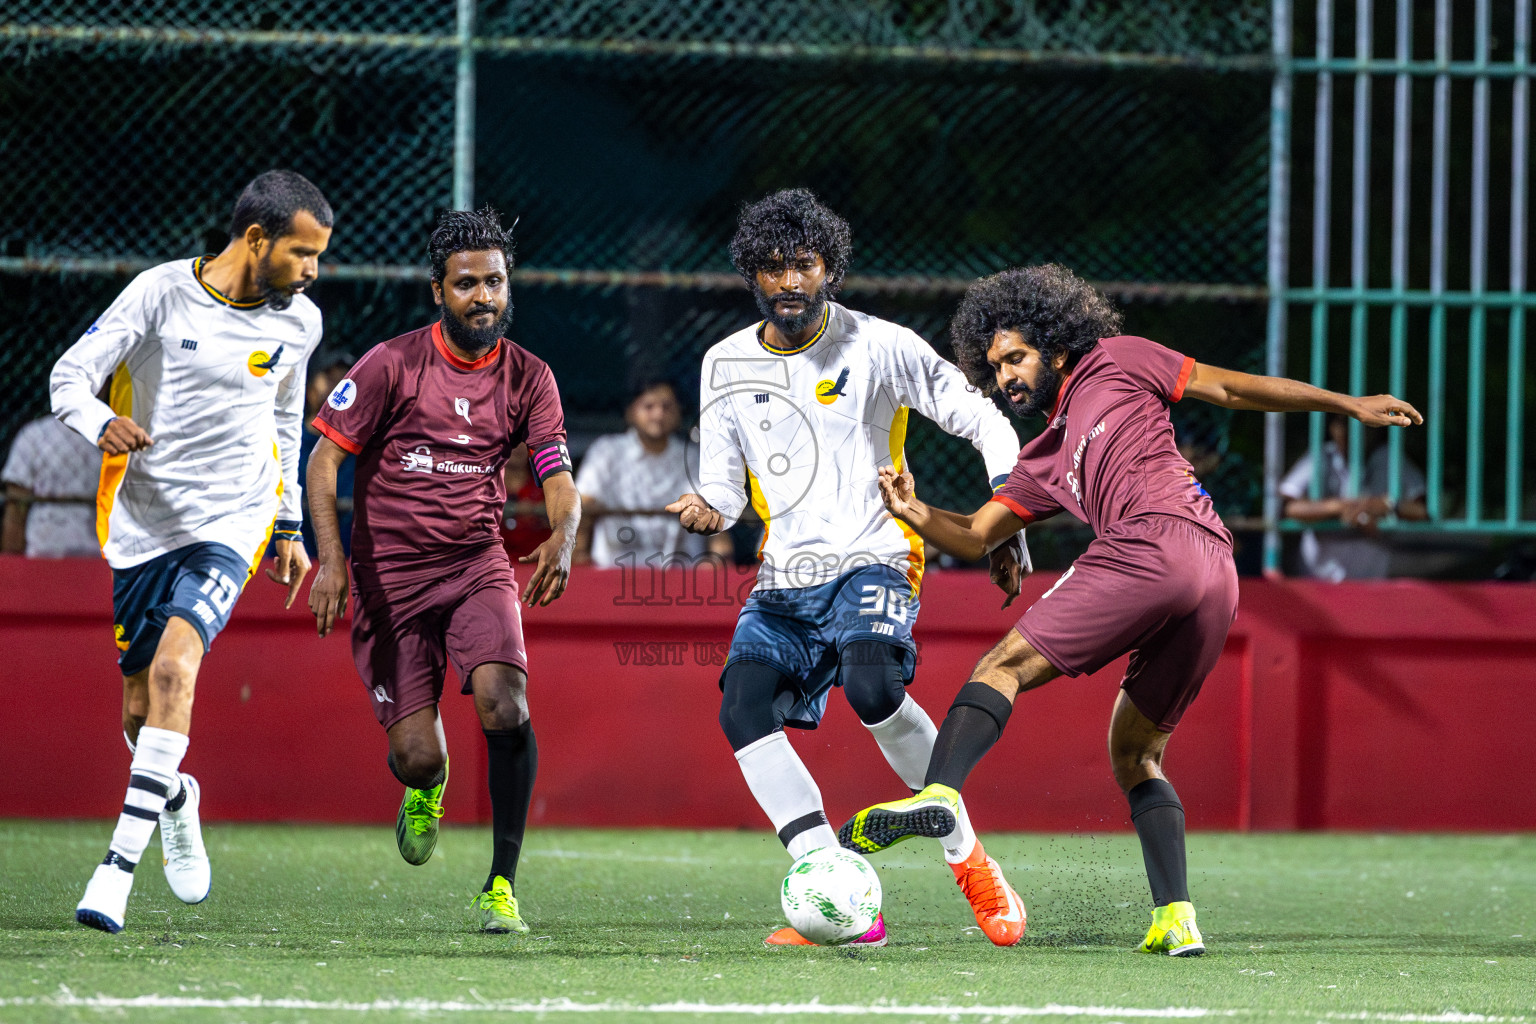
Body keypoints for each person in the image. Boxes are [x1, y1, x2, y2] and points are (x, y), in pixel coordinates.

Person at [838, 264, 1422, 956]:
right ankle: (1176, 916)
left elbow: (1229, 387)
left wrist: (1342, 403)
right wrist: (914, 509)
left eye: (1016, 358)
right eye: (994, 371)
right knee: (1137, 753)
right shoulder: (1043, 459)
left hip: (1159, 541)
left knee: (1004, 663)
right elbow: (974, 532)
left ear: (1056, 346)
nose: (1007, 380)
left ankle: (940, 794)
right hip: (1213, 575)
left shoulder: (1113, 359)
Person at [666, 189, 1029, 948]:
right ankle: (835, 887)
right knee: (742, 707)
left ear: (830, 266)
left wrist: (1006, 509)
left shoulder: (880, 345)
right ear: (752, 274)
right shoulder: (723, 362)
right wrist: (711, 506)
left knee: (873, 687)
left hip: (877, 553)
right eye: (774, 267)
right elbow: (729, 486)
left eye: (804, 264)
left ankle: (970, 860)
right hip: (784, 576)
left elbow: (983, 418)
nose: (790, 280)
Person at [51, 169, 332, 932]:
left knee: (179, 667)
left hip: (230, 523)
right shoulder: (159, 293)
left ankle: (115, 870)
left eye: (319, 258)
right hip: (144, 524)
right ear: (255, 238)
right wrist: (96, 422)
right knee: (142, 720)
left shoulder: (297, 322)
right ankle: (176, 796)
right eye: (302, 254)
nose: (312, 273)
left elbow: (283, 424)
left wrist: (285, 526)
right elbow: (68, 378)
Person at [306, 206, 579, 935]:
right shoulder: (390, 364)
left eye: (494, 282)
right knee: (418, 758)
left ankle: (500, 885)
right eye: (466, 284)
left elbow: (554, 468)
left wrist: (565, 530)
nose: (483, 296)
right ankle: (427, 789)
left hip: (475, 563)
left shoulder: (530, 377)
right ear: (438, 291)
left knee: (505, 706)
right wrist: (330, 560)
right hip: (388, 579)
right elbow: (325, 458)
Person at [575, 379, 732, 567]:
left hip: (681, 576)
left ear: (678, 413)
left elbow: (713, 516)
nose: (658, 414)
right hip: (613, 571)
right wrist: (579, 553)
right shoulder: (606, 452)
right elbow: (583, 505)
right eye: (649, 407)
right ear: (631, 412)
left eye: (667, 407)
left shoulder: (691, 457)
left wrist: (717, 559)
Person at [1280, 413, 1428, 581]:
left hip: (1372, 582)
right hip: (1317, 579)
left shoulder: (1388, 459)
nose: (1347, 431)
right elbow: (1290, 506)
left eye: (1357, 424)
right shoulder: (1322, 456)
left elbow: (1423, 511)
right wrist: (1340, 507)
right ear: (1331, 428)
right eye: (1341, 423)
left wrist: (1388, 505)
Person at [2, 413, 102, 557]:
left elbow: (16, 511)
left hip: (82, 557)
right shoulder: (33, 436)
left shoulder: (33, 436)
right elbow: (16, 510)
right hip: (47, 557)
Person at [501, 443, 552, 562]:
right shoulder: (486, 486)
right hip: (495, 565)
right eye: (513, 441)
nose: (518, 447)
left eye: (523, 441)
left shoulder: (546, 484)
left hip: (538, 563)